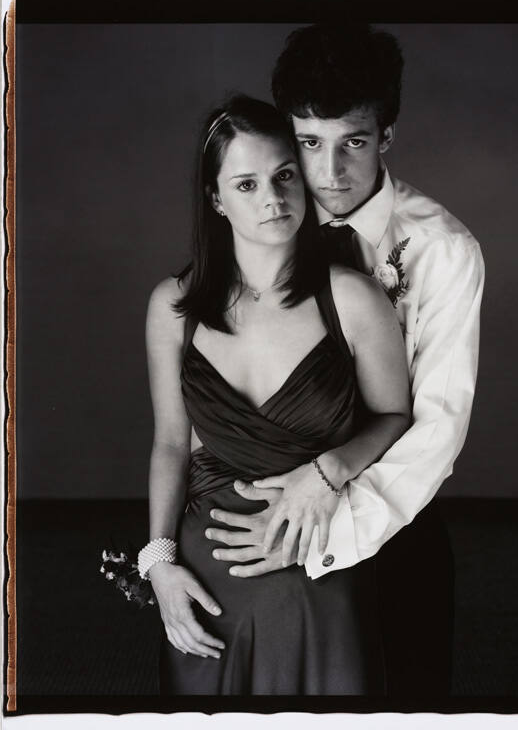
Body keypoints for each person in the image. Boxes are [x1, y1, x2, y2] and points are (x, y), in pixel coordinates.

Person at [204, 24, 485, 697]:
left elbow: (438, 425)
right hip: (265, 516)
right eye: (308, 144)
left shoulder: (443, 251)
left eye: (353, 143)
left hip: (390, 524)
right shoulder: (263, 215)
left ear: (386, 135)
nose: (328, 174)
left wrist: (325, 512)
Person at [139, 94, 411, 695]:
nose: (273, 198)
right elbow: (169, 443)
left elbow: (395, 416)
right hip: (207, 567)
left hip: (317, 550)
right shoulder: (172, 307)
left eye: (286, 175)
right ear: (216, 199)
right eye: (247, 183)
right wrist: (158, 562)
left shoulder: (353, 299)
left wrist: (328, 472)